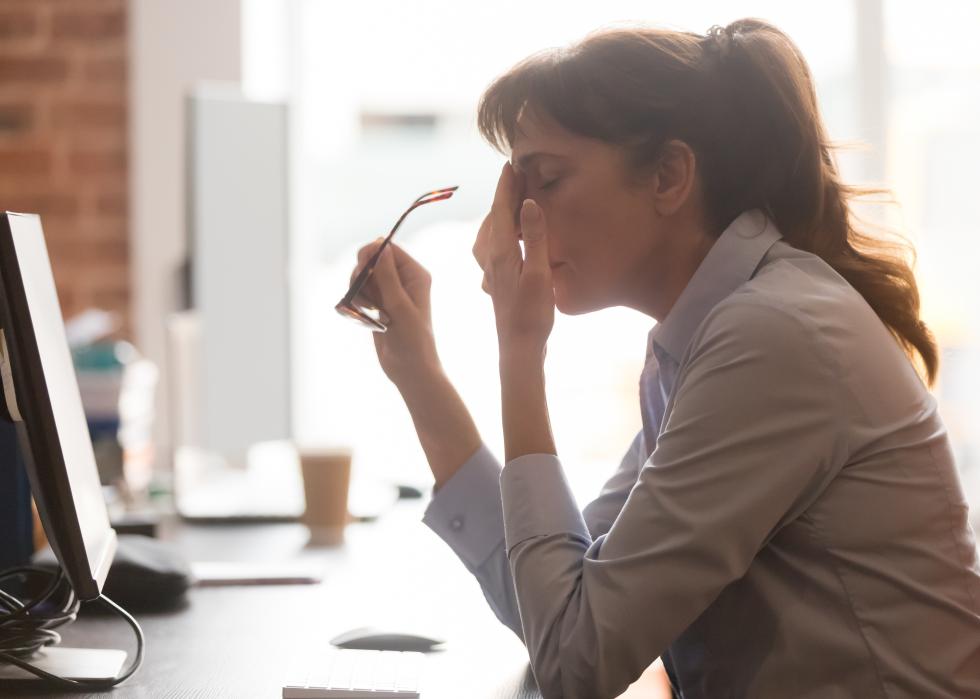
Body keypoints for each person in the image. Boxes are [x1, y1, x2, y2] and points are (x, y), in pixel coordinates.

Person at [347, 18, 980, 699]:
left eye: (547, 179)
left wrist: (520, 349)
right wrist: (419, 374)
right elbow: (554, 596)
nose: (515, 216)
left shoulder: (770, 336)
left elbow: (575, 660)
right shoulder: (711, 331)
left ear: (669, 176)